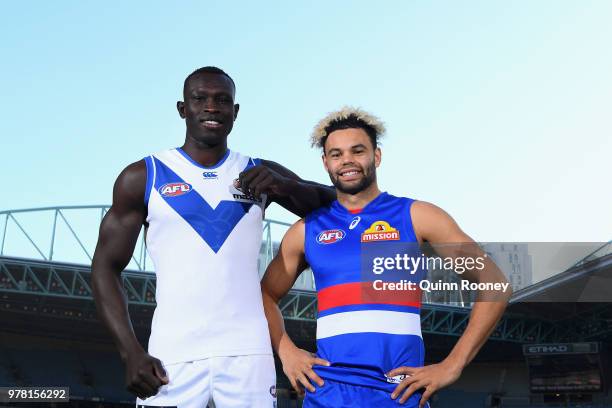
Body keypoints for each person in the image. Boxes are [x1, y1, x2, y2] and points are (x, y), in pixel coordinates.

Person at [91, 66, 334, 408]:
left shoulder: (258, 170)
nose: (211, 107)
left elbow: (339, 206)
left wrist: (285, 187)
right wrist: (130, 351)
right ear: (182, 109)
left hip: (248, 352)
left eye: (222, 100)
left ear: (235, 112)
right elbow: (104, 267)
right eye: (200, 99)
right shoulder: (143, 175)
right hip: (171, 354)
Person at [260, 107, 512, 407]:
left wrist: (452, 364)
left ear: (376, 156)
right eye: (337, 154)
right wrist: (286, 351)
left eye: (358, 150)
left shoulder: (418, 216)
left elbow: (494, 282)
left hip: (399, 394)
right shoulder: (305, 230)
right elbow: (264, 294)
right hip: (327, 395)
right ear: (326, 162)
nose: (347, 161)